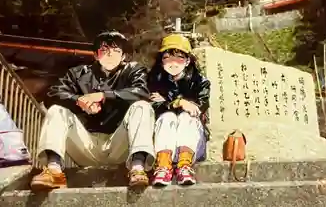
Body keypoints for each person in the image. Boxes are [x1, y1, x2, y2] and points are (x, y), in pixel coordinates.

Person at [30, 31, 156, 191]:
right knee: (57, 110)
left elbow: (141, 92)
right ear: (96, 55)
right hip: (85, 145)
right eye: (104, 50)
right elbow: (53, 93)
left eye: (116, 51)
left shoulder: (133, 70)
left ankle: (138, 168)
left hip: (119, 143)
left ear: (124, 56)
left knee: (143, 106)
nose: (110, 55)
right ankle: (54, 170)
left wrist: (104, 96)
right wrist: (78, 101)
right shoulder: (77, 73)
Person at [148, 34, 210, 187]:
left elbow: (198, 108)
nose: (173, 63)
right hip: (163, 143)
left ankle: (185, 165)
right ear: (161, 60)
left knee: (186, 117)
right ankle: (163, 166)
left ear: (188, 60)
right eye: (167, 58)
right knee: (168, 117)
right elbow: (152, 106)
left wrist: (167, 102)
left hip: (193, 144)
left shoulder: (200, 82)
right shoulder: (153, 80)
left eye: (179, 58)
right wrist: (178, 102)